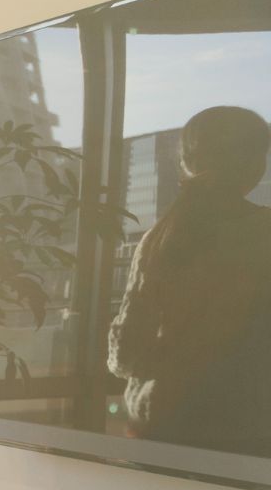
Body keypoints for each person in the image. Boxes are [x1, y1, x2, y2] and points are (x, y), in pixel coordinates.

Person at [108, 105, 271, 456]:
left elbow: (126, 353)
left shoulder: (159, 237)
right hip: (250, 425)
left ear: (187, 162)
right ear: (257, 165)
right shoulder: (264, 233)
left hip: (160, 421)